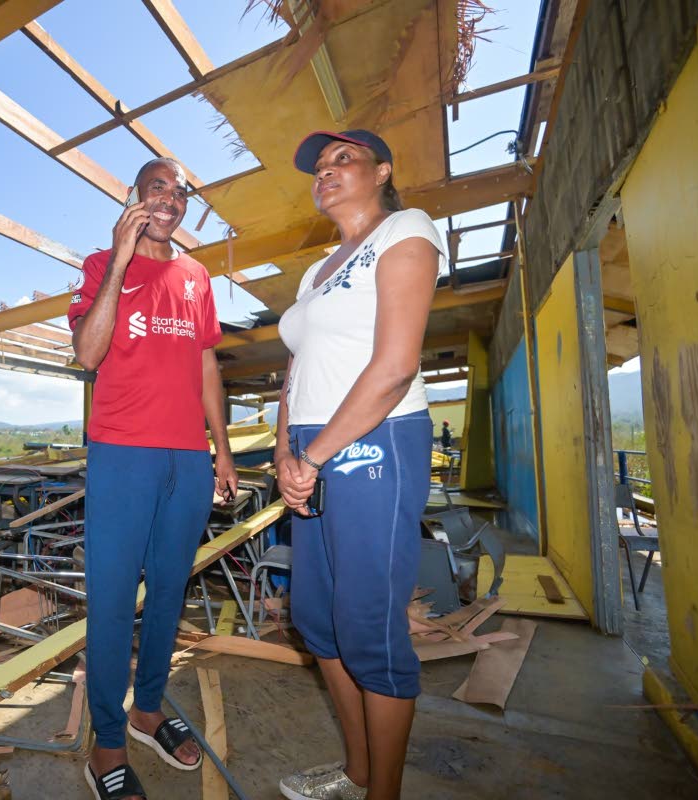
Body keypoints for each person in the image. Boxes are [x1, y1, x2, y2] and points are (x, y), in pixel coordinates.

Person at [274, 130, 444, 800]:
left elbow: (396, 365)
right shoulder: (315, 272)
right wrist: (286, 451)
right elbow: (295, 372)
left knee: (369, 624)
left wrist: (313, 455)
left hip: (377, 434)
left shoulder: (406, 228)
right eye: (319, 167)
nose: (326, 172)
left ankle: (384, 792)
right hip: (310, 446)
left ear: (383, 171)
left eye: (342, 159)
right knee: (318, 620)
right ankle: (358, 769)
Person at [69, 157, 239, 800]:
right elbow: (88, 353)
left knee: (169, 593)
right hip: (123, 454)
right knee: (113, 601)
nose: (170, 199)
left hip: (187, 459)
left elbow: (206, 365)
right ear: (134, 197)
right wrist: (120, 259)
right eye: (157, 187)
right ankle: (108, 741)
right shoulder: (99, 265)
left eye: (179, 191)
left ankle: (147, 711)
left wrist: (222, 450)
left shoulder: (196, 276)